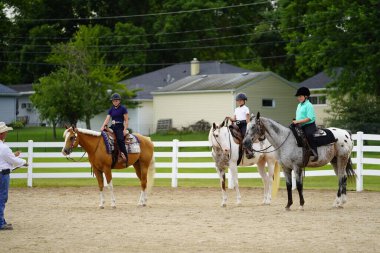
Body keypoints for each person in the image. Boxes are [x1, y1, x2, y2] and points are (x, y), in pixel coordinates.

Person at [0, 122, 28, 231]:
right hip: (3, 175)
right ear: (1, 134)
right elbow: (12, 160)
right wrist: (24, 162)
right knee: (2, 198)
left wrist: (13, 156)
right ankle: (1, 223)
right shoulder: (4, 147)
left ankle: (1, 220)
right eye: (5, 131)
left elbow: (6, 158)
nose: (7, 133)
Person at [101, 93, 129, 166]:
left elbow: (126, 120)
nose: (115, 102)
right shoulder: (111, 109)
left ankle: (126, 157)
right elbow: (107, 119)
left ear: (119, 101)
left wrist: (125, 130)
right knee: (103, 135)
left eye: (116, 100)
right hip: (113, 126)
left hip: (120, 127)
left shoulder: (123, 109)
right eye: (113, 101)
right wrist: (103, 127)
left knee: (120, 140)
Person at [292, 86, 318, 162]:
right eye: (298, 96)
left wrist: (298, 121)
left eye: (300, 96)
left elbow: (309, 118)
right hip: (300, 124)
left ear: (306, 96)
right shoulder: (299, 105)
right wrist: (295, 121)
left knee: (309, 134)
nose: (299, 98)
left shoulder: (309, 105)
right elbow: (299, 116)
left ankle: (315, 152)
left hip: (309, 125)